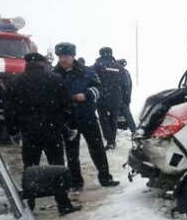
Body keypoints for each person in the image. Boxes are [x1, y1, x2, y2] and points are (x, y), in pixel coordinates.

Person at [5, 53, 82, 216]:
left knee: (30, 167)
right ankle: (63, 203)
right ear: (42, 63)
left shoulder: (16, 81)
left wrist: (13, 131)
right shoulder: (54, 79)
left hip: (29, 132)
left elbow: (9, 110)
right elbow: (67, 105)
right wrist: (71, 126)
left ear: (27, 63)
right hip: (52, 130)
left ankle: (28, 204)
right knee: (57, 166)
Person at [53, 42, 119, 191]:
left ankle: (105, 177)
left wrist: (87, 95)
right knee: (71, 153)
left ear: (73, 56)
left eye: (66, 56)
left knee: (97, 148)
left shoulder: (87, 72)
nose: (63, 59)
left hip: (87, 116)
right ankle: (76, 182)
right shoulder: (54, 74)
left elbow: (99, 89)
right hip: (68, 119)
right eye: (61, 56)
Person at [93, 47, 124, 150]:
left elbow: (92, 81)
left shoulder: (97, 66)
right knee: (113, 119)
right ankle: (112, 140)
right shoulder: (119, 67)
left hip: (102, 97)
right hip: (116, 97)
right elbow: (125, 83)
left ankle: (110, 141)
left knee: (104, 119)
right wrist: (125, 98)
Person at [117, 58, 137, 133]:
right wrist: (127, 97)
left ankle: (118, 127)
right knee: (126, 113)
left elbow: (128, 86)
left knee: (118, 113)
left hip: (119, 98)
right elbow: (128, 86)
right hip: (123, 97)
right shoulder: (126, 73)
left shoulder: (119, 73)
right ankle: (133, 129)